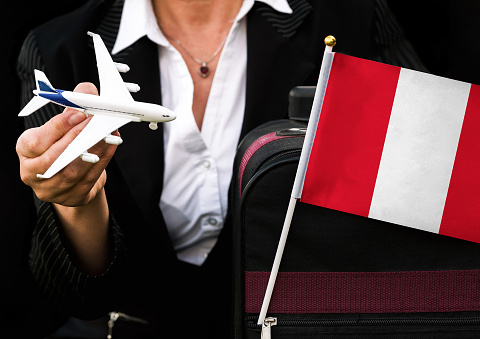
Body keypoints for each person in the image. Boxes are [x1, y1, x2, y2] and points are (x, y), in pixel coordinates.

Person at [15, 0, 426, 337]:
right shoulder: (59, 49)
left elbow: (424, 179)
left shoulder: (353, 17)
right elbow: (75, 294)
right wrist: (77, 201)